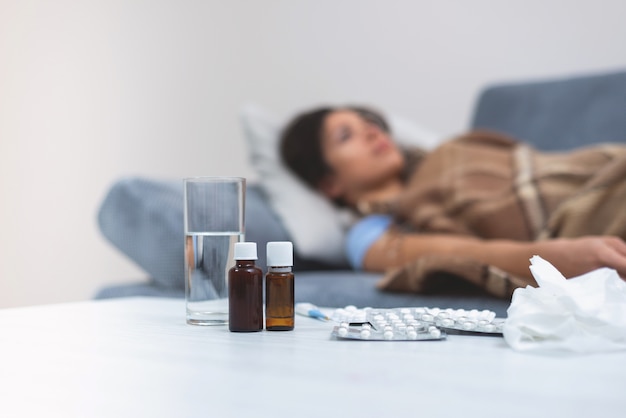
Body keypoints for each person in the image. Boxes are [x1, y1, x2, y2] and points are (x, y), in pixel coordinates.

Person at [279, 106, 626, 286]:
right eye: (346, 135)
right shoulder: (368, 234)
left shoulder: (445, 158)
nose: (372, 131)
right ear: (329, 184)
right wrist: (553, 259)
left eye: (368, 122)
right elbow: (471, 254)